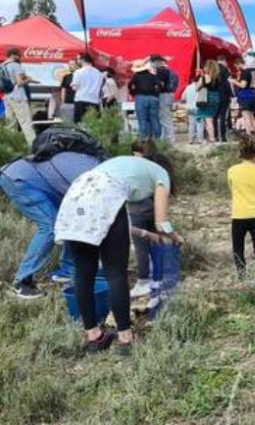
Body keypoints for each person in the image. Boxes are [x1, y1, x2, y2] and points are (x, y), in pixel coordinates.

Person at [55, 145, 180, 355]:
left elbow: (103, 219)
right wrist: (177, 238)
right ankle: (125, 339)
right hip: (106, 197)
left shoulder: (122, 165)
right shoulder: (161, 174)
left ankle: (94, 336)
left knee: (84, 274)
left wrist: (143, 233)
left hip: (75, 197)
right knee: (116, 274)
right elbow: (161, 223)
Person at [2, 150, 102, 298]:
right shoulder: (92, 177)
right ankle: (22, 281)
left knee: (72, 219)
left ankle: (67, 270)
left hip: (35, 179)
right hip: (21, 180)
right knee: (50, 227)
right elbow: (83, 209)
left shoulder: (97, 166)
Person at [228, 135, 255, 279]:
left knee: (238, 248)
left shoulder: (232, 170)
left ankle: (242, 275)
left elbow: (231, 190)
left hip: (238, 214)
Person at [128, 58, 163, 140]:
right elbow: (160, 85)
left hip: (140, 97)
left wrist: (133, 93)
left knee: (142, 119)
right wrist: (156, 93)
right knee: (154, 119)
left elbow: (130, 86)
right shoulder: (152, 76)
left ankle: (144, 139)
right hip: (153, 97)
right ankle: (158, 140)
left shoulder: (136, 76)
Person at [150, 55, 178, 143]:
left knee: (164, 118)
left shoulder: (161, 71)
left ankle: (170, 140)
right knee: (165, 117)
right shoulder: (169, 71)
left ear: (158, 62)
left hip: (163, 95)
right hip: (169, 95)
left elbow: (160, 85)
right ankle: (167, 138)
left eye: (153, 62)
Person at [71, 53, 103, 123]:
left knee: (80, 124)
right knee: (94, 125)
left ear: (82, 60)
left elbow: (75, 88)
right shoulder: (99, 73)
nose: (77, 61)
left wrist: (72, 85)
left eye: (78, 59)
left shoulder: (78, 72)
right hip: (94, 101)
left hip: (81, 99)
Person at [231, 57, 255, 136]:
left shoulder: (244, 73)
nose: (236, 68)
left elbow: (243, 85)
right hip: (251, 96)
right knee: (252, 116)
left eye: (236, 66)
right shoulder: (250, 72)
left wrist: (234, 82)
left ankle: (248, 134)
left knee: (246, 116)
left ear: (239, 64)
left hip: (245, 96)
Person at [195, 61, 222, 143]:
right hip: (216, 97)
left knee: (207, 119)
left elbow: (197, 88)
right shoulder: (217, 78)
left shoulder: (204, 77)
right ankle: (211, 137)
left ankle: (211, 138)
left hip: (206, 98)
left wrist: (200, 78)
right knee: (210, 118)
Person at [215, 58, 234, 142]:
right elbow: (228, 83)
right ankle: (223, 136)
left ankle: (215, 135)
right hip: (224, 96)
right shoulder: (225, 70)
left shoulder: (213, 68)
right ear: (223, 61)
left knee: (214, 117)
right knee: (223, 117)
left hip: (215, 95)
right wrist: (231, 94)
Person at [182, 75, 203, 144]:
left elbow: (183, 97)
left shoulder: (188, 87)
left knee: (191, 124)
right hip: (198, 108)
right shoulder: (201, 88)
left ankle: (190, 139)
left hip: (190, 108)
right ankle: (199, 139)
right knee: (199, 124)